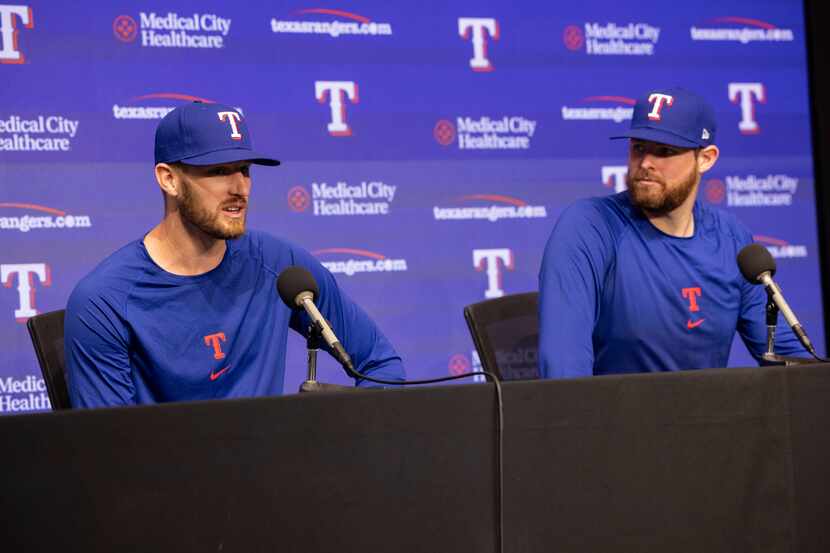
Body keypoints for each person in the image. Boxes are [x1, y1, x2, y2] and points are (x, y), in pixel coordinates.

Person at [65, 102, 404, 407]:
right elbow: (109, 452)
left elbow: (380, 363)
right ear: (168, 179)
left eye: (244, 170)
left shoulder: (280, 266)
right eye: (218, 171)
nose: (239, 188)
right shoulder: (104, 301)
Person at [538, 87, 805, 378]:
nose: (646, 163)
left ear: (706, 158)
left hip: (710, 419)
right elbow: (563, 371)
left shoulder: (732, 239)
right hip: (615, 420)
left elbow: (790, 363)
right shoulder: (589, 227)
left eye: (665, 151)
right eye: (639, 147)